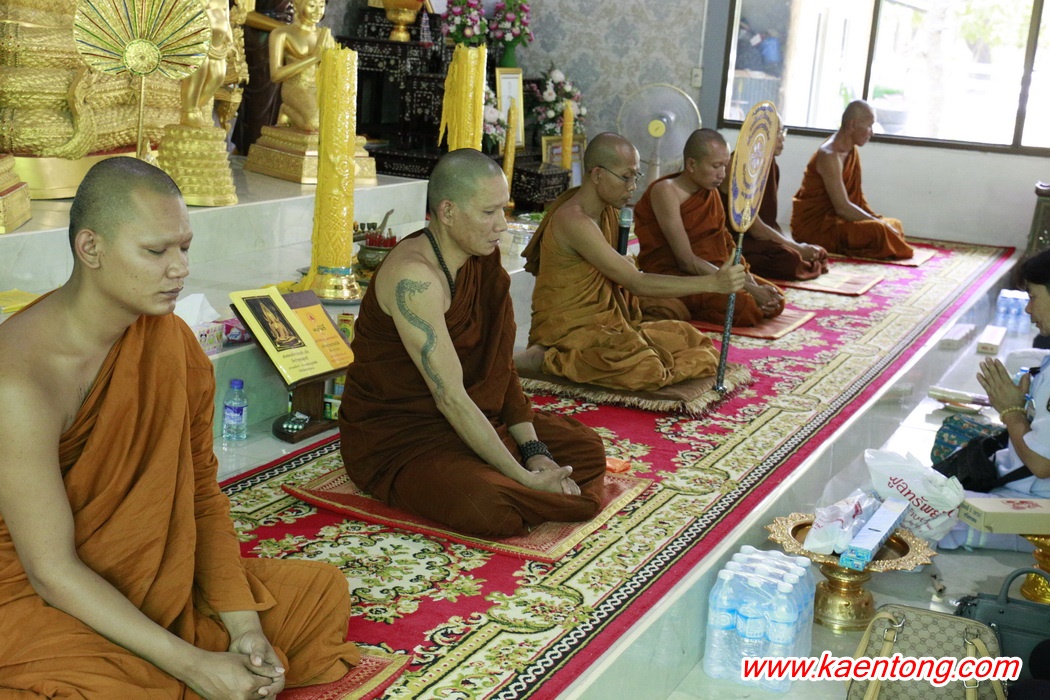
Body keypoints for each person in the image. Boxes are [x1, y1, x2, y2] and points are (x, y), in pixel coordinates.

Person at [0, 157, 359, 697]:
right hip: (37, 589)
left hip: (148, 569)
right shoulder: (20, 382)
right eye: (156, 251)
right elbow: (51, 571)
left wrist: (244, 627)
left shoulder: (168, 339)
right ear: (91, 248)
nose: (180, 269)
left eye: (185, 248)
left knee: (319, 595)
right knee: (131, 688)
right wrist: (194, 665)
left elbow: (199, 496)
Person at [339, 149, 607, 538]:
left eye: (504, 210)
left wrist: (535, 453)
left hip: (474, 416)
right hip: (402, 438)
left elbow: (500, 369)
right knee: (489, 509)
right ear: (447, 212)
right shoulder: (415, 280)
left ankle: (522, 483)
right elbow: (450, 398)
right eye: (488, 212)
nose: (502, 225)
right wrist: (525, 477)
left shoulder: (480, 259)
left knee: (588, 448)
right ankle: (526, 488)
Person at [519, 132, 747, 391]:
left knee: (690, 338)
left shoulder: (607, 211)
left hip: (606, 323)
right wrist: (712, 283)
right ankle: (549, 358)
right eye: (626, 177)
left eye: (636, 176)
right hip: (570, 330)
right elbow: (636, 283)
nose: (633, 186)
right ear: (597, 175)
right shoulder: (574, 221)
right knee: (647, 370)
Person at [938, 248, 1050, 551]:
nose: (1028, 309)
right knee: (953, 440)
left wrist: (1012, 411)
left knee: (912, 512)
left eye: (1033, 297)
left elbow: (1041, 464)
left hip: (1035, 509)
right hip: (1022, 483)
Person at [634, 128, 785, 327]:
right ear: (691, 164)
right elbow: (686, 261)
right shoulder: (666, 192)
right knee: (745, 307)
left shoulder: (709, 191)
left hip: (714, 270)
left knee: (776, 298)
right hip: (677, 275)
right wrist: (749, 289)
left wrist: (750, 282)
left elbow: (726, 243)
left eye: (725, 166)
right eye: (715, 166)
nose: (722, 174)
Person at [790, 100, 914, 259]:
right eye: (869, 126)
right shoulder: (830, 156)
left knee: (895, 225)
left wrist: (876, 220)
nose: (872, 133)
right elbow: (842, 207)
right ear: (853, 125)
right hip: (817, 228)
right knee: (881, 231)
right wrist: (878, 223)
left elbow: (856, 199)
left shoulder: (850, 151)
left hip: (839, 221)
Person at [718, 126, 829, 281]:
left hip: (759, 238)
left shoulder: (769, 164)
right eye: (778, 132)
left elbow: (769, 222)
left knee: (818, 253)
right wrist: (797, 248)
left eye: (783, 131)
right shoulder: (738, 167)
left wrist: (795, 246)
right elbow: (756, 229)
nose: (783, 138)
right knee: (790, 260)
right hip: (736, 239)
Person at [268, 0, 336, 132]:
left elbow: (330, 72)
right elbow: (275, 75)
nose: (318, 11)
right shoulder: (281, 34)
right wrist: (313, 58)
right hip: (295, 87)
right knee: (315, 124)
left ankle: (294, 115)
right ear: (296, 4)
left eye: (321, 6)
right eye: (312, 6)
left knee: (337, 123)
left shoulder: (326, 37)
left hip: (318, 88)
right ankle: (286, 109)